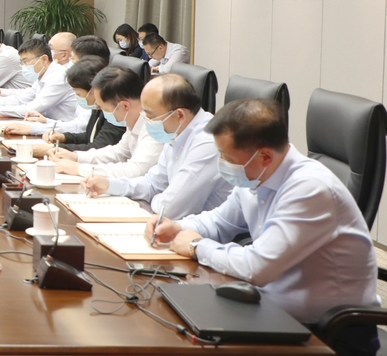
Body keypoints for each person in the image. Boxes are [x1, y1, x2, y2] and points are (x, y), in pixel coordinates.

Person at [149, 99, 379, 356]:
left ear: (265, 156)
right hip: (272, 311)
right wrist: (178, 226)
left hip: (329, 334)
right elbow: (220, 221)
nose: (221, 163)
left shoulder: (310, 189)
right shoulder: (256, 175)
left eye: (227, 157)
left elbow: (258, 267)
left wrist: (195, 246)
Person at [84, 74, 232, 220]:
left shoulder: (208, 142)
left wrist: (157, 197)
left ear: (179, 115)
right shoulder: (176, 132)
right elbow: (152, 184)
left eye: (150, 116)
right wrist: (110, 185)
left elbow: (169, 209)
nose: (145, 120)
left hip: (202, 232)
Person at [50, 65, 163, 178]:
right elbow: (118, 153)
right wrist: (75, 157)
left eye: (105, 109)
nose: (102, 112)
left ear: (125, 106)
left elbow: (134, 171)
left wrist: (78, 168)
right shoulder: (134, 120)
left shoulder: (154, 128)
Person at [31, 56, 124, 156]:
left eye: (78, 93)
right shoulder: (97, 107)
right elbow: (90, 136)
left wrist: (54, 149)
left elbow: (98, 147)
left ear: (94, 90)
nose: (77, 97)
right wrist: (64, 137)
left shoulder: (115, 113)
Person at [0, 39, 79, 128]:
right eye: (22, 62)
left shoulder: (59, 77)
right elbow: (22, 99)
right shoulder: (42, 74)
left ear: (44, 59)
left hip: (62, 129)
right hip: (45, 124)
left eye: (26, 61)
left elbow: (31, 109)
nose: (24, 66)